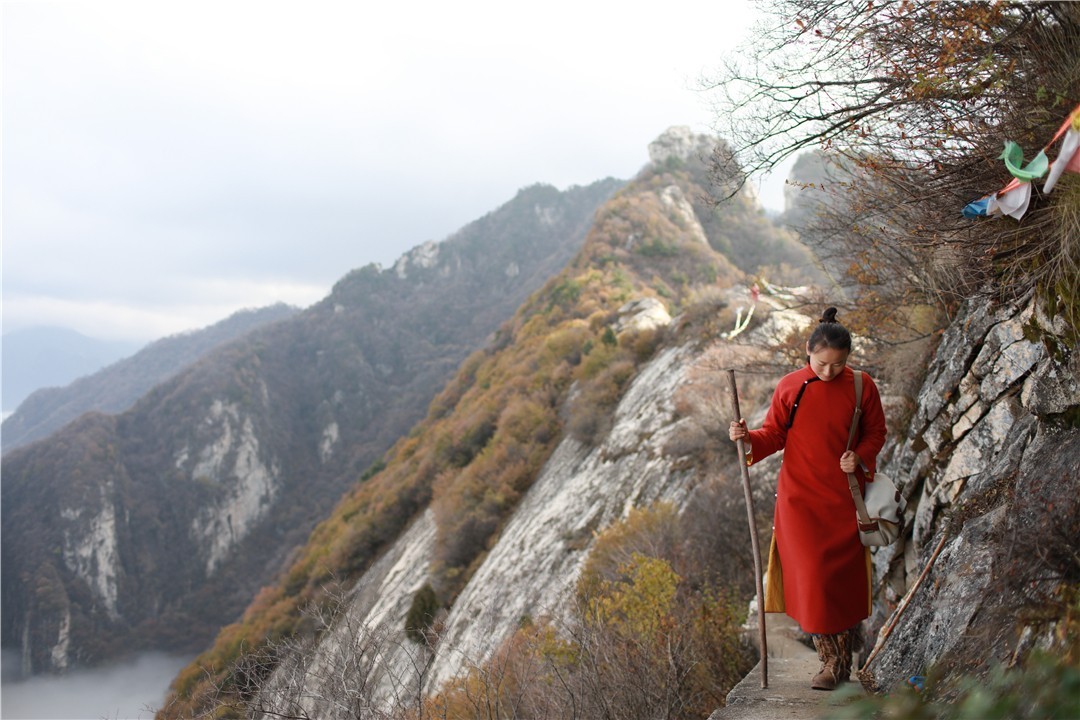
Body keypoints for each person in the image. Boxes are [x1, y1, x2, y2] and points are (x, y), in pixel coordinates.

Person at [729, 307, 886, 690]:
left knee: (839, 583)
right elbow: (774, 435)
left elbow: (876, 433)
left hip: (845, 500)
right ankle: (830, 662)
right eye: (821, 363)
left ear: (848, 358)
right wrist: (747, 439)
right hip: (799, 503)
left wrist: (860, 456)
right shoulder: (791, 386)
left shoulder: (863, 386)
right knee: (814, 581)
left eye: (837, 364)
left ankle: (843, 660)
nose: (828, 372)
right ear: (807, 352)